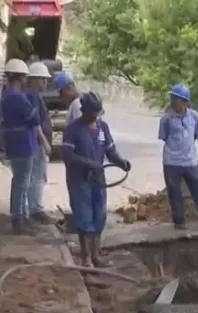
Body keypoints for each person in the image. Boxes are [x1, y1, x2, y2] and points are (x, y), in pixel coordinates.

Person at [62, 92, 131, 267]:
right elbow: (68, 156)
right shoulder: (72, 130)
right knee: (84, 217)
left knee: (99, 216)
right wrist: (90, 164)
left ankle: (95, 255)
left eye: (97, 112)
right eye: (92, 112)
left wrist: (121, 161)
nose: (95, 116)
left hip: (97, 180)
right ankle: (85, 257)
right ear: (83, 110)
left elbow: (110, 151)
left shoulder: (103, 128)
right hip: (79, 180)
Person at [158, 83, 198, 230]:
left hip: (189, 161)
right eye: (172, 97)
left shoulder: (194, 116)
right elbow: (164, 137)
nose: (173, 101)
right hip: (171, 161)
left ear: (185, 101)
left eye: (176, 98)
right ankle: (179, 221)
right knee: (175, 193)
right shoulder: (166, 119)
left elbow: (195, 135)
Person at [2, 59, 50, 234]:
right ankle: (18, 218)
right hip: (22, 143)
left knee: (20, 181)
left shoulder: (6, 94)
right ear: (19, 77)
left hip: (16, 142)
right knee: (22, 182)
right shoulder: (17, 97)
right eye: (24, 76)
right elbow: (34, 118)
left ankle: (21, 216)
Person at [25, 61, 55, 224]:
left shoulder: (33, 96)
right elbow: (35, 123)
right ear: (34, 79)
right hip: (36, 143)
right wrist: (45, 142)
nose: (45, 83)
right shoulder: (32, 96)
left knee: (33, 175)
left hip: (35, 143)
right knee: (37, 176)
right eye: (42, 79)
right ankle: (35, 209)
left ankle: (31, 208)